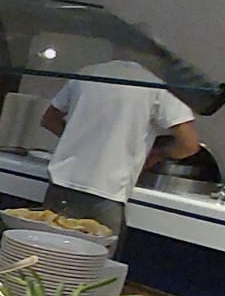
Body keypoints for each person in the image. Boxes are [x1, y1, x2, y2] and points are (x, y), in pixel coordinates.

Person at [37, 59, 199, 240]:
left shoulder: (87, 73)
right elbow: (189, 145)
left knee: (49, 251)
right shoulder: (157, 85)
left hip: (62, 183)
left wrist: (77, 139)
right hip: (109, 190)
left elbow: (49, 119)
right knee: (96, 255)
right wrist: (157, 155)